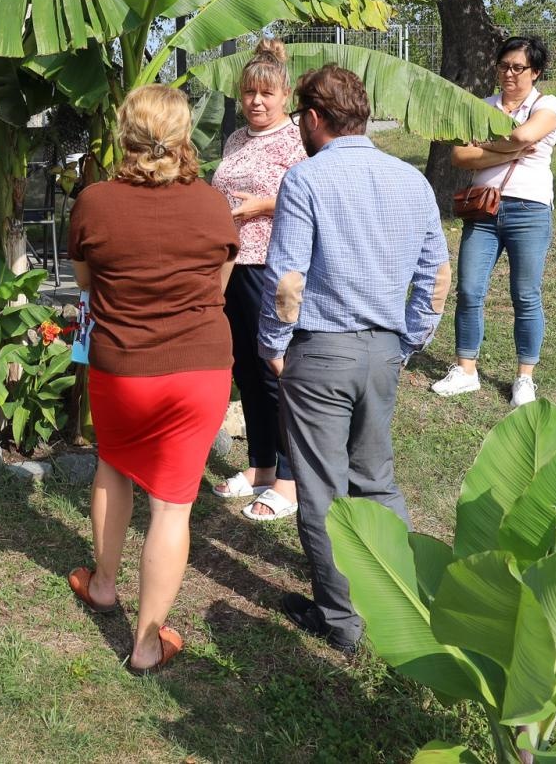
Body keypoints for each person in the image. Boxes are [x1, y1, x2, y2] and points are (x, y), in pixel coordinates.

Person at [258, 66, 449, 654]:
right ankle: (407, 605)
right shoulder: (411, 180)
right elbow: (437, 276)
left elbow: (287, 281)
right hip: (383, 350)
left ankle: (341, 622)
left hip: (321, 352)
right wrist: (409, 342)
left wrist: (272, 346)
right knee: (377, 482)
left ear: (314, 118)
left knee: (322, 491)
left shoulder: (305, 180)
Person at [65, 84, 240, 675]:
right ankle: (145, 644)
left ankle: (103, 585)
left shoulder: (93, 202)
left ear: (125, 134)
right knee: (172, 506)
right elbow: (218, 287)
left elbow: (86, 283)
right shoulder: (213, 204)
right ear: (185, 136)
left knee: (113, 465)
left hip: (123, 369)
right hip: (200, 370)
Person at [432, 36, 556, 408]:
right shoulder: (484, 106)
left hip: (529, 211)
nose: (509, 73)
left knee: (525, 295)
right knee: (469, 289)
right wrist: (514, 151)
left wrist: (487, 145)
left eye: (518, 67)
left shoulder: (546, 104)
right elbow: (460, 156)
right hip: (484, 210)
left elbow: (524, 133)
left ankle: (525, 378)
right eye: (503, 66)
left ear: (535, 72)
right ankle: (466, 370)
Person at [209, 40, 308, 522]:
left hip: (272, 264)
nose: (257, 101)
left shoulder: (297, 140)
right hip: (233, 264)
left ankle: (290, 475)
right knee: (246, 368)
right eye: (249, 92)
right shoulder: (236, 139)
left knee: (274, 368)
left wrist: (263, 205)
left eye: (267, 93)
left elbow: (311, 197)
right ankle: (261, 463)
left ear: (285, 95)